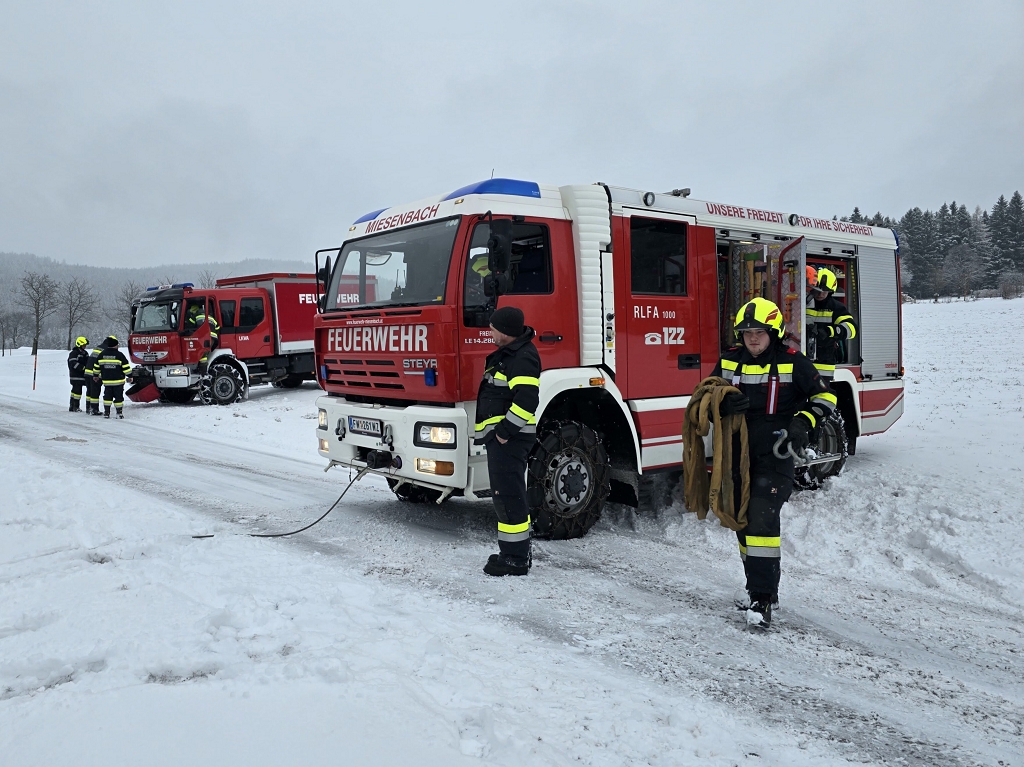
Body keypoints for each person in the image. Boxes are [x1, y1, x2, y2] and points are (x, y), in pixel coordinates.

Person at [712, 297, 838, 628]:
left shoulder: (794, 362)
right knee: (743, 522)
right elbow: (705, 396)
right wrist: (722, 405)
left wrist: (803, 422)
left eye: (759, 332)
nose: (753, 338)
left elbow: (826, 396)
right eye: (747, 332)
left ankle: (763, 599)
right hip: (738, 455)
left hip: (776, 455)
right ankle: (758, 586)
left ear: (774, 333)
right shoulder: (728, 361)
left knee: (761, 521)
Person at [473, 306, 542, 576]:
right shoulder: (512, 353)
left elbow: (527, 401)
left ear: (504, 331)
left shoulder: (521, 357)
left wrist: (503, 432)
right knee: (508, 495)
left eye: (493, 328)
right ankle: (516, 553)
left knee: (509, 497)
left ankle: (515, 559)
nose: (489, 332)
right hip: (506, 440)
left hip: (509, 440)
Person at [807, 268, 857, 382]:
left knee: (822, 391)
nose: (820, 294)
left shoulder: (836, 307)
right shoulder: (803, 303)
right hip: (802, 360)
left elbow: (852, 328)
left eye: (825, 291)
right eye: (817, 290)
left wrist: (831, 331)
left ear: (831, 291)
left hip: (824, 363)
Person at [91, 336, 133, 419]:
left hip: (107, 381)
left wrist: (95, 375)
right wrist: (130, 376)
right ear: (115, 345)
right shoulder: (119, 355)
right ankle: (119, 413)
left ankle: (107, 412)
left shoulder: (101, 355)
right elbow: (126, 368)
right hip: (118, 382)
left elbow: (96, 367)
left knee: (107, 397)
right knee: (118, 398)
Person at [83, 339, 106, 415]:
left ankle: (88, 408)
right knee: (95, 392)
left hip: (87, 373)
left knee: (89, 391)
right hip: (95, 374)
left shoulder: (98, 348)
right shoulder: (106, 350)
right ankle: (94, 409)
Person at [67, 336, 90, 412]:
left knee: (75, 391)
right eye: (84, 345)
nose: (85, 346)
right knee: (77, 391)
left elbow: (88, 362)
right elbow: (73, 363)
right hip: (75, 376)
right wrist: (82, 368)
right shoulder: (74, 353)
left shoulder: (85, 353)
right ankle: (75, 406)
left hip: (81, 376)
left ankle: (72, 406)